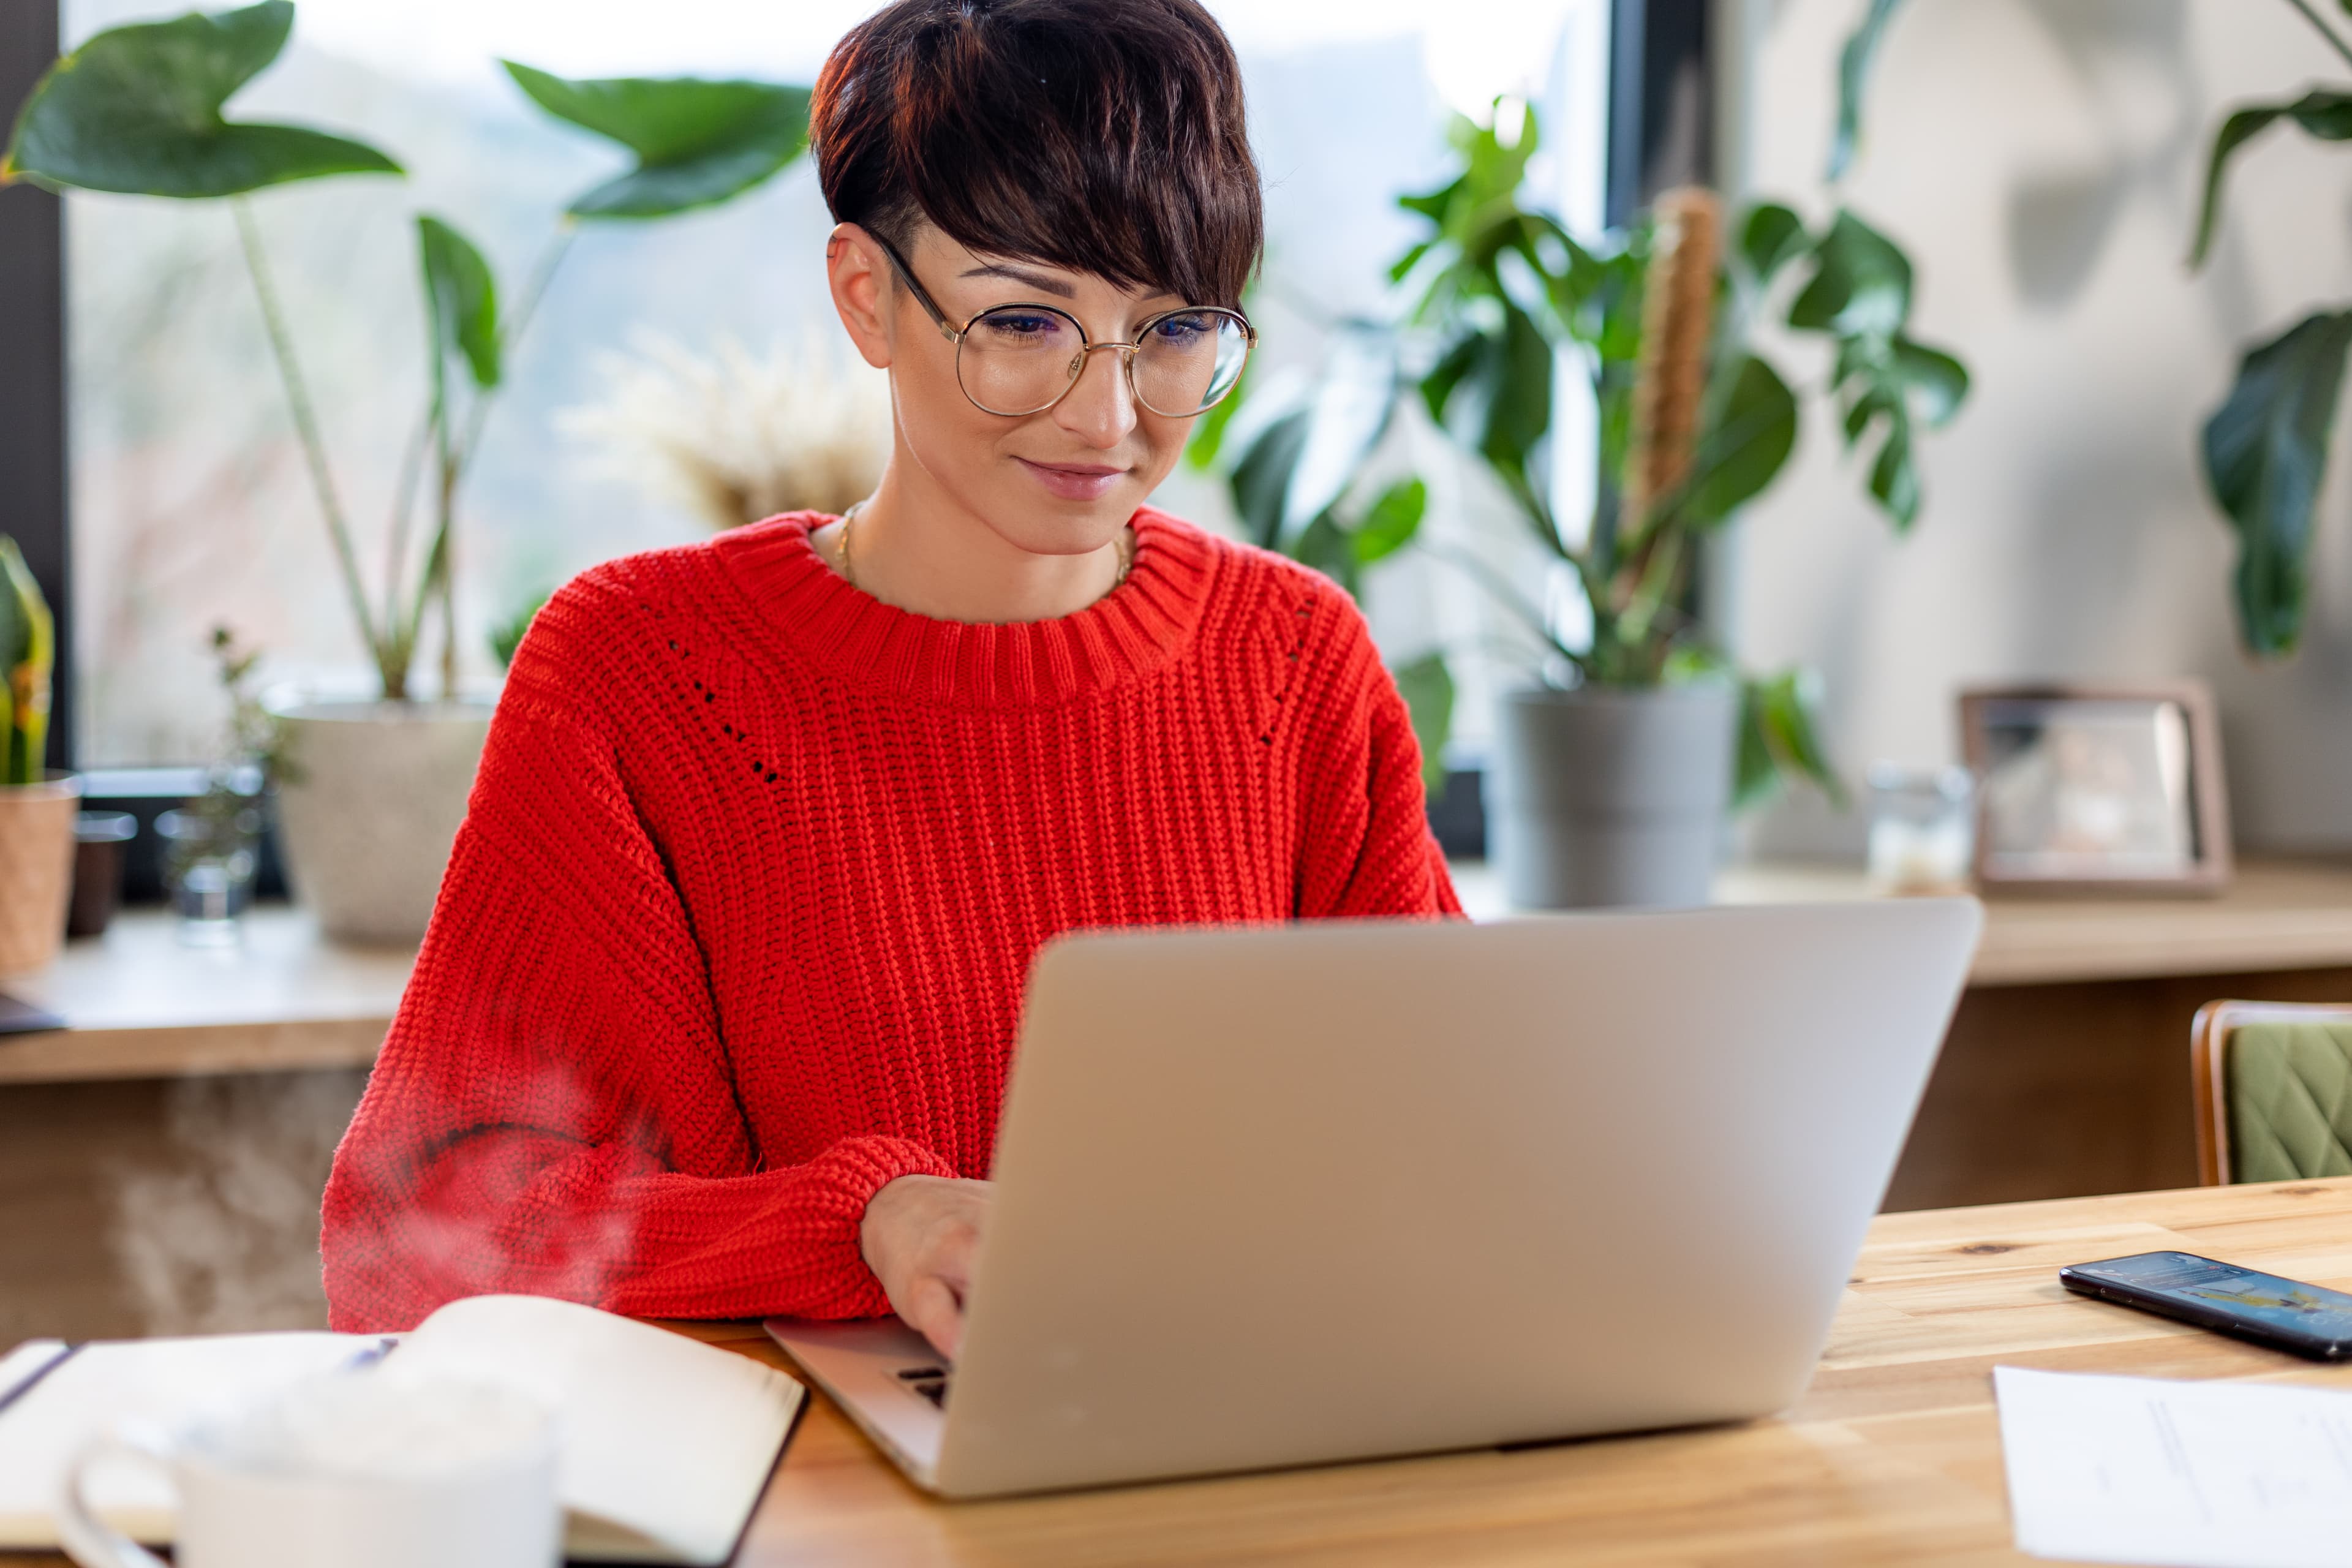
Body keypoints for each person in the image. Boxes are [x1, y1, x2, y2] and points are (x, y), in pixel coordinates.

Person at [321, 0, 1460, 1356]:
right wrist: (859, 1224)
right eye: (1025, 322)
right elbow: (412, 1231)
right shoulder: (639, 673)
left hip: (1244, 1442)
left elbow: (1447, 1144)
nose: (1107, 417)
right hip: (811, 1493)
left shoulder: (1294, 662)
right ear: (868, 294)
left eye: (1172, 332)